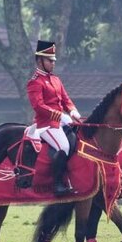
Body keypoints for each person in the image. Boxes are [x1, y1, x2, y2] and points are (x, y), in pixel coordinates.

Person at [26, 40, 81, 195]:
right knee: (63, 146)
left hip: (60, 121)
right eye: (50, 60)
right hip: (46, 125)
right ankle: (57, 184)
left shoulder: (56, 80)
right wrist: (59, 115)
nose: (53, 63)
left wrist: (73, 111)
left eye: (53, 61)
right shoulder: (34, 82)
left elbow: (66, 100)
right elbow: (38, 106)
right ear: (39, 60)